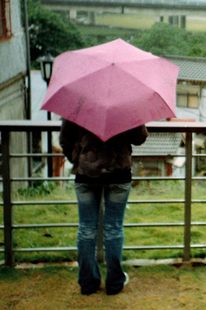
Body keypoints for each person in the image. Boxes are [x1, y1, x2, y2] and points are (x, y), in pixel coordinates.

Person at [59, 119, 148, 295]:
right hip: (119, 172)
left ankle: (88, 282)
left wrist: (79, 160)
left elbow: (65, 139)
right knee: (114, 228)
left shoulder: (80, 102)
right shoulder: (126, 103)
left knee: (86, 229)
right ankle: (115, 282)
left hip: (86, 174)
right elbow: (139, 138)